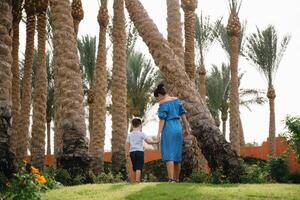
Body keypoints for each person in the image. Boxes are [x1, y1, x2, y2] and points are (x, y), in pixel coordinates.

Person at [154, 83, 191, 183]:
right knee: (177, 155)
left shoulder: (163, 104)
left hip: (168, 127)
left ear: (160, 95)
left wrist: (158, 134)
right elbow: (183, 115)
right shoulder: (176, 100)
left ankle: (171, 179)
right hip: (178, 127)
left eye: (157, 99)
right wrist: (187, 128)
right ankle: (177, 179)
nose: (158, 101)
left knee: (169, 154)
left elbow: (162, 119)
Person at [125, 118, 159, 183]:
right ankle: (137, 181)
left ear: (132, 125)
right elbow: (148, 141)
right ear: (140, 125)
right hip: (139, 152)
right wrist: (156, 142)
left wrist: (127, 153)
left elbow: (127, 144)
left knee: (134, 168)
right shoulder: (142, 134)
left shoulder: (129, 135)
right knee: (138, 167)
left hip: (132, 152)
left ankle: (133, 181)